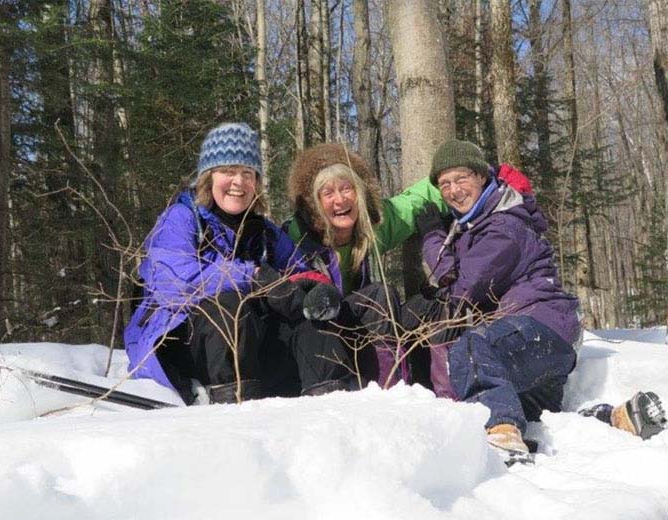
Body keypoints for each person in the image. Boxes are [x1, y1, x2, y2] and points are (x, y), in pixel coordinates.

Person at [405, 139, 666, 461]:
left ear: (482, 177)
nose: (454, 190)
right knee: (537, 418)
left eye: (461, 179)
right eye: (444, 184)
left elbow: (462, 289)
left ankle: (501, 434)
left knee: (471, 348)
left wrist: (431, 236)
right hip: (539, 340)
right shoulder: (476, 225)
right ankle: (614, 418)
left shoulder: (504, 225)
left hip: (539, 326)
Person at [124, 123, 349, 404]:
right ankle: (235, 413)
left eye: (247, 173)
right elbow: (175, 282)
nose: (238, 182)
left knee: (311, 318)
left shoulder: (265, 232)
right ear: (208, 177)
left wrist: (313, 290)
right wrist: (253, 277)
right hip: (184, 347)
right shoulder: (181, 218)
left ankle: (330, 405)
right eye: (228, 171)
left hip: (251, 348)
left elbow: (301, 270)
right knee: (228, 304)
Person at [285, 143, 447, 393]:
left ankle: (395, 386)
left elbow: (415, 201)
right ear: (314, 205)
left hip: (362, 330)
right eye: (328, 193)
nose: (340, 200)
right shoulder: (298, 238)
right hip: (320, 337)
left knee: (416, 300)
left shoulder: (372, 227)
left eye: (347, 188)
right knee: (376, 296)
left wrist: (485, 176)